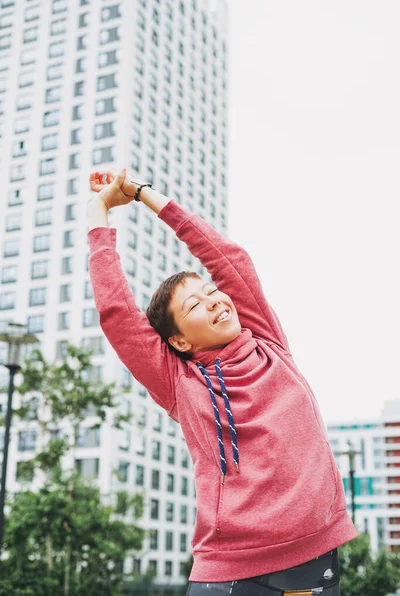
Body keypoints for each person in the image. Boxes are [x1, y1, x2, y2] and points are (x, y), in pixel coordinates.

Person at [87, 169, 358, 596]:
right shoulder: (180, 379)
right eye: (196, 303)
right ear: (178, 339)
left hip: (312, 559)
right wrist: (98, 212)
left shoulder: (267, 339)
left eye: (211, 290)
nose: (214, 299)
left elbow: (227, 259)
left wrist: (143, 194)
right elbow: (118, 313)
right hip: (231, 570)